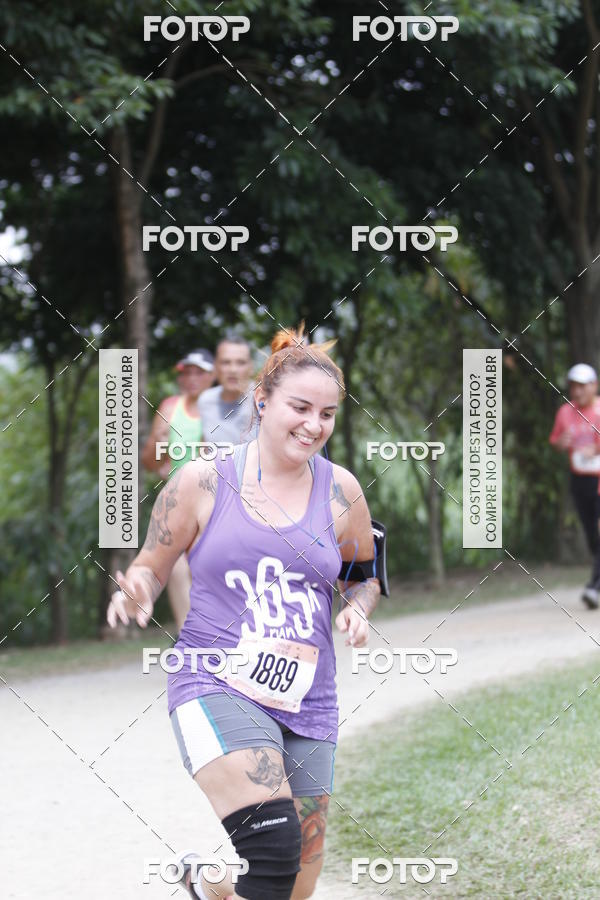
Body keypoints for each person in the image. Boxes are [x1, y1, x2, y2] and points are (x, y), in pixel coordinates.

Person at [107, 325, 382, 900]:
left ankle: (210, 886)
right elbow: (151, 564)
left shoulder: (343, 492)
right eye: (300, 407)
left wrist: (357, 606)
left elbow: (363, 574)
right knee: (275, 846)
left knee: (295, 884)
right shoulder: (202, 481)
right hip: (215, 680)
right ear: (262, 402)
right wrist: (137, 587)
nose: (313, 425)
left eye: (327, 414)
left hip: (309, 698)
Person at [141, 349, 215, 631]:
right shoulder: (170, 407)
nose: (192, 378)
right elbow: (150, 461)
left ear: (212, 376)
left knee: (213, 567)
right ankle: (190, 637)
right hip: (180, 501)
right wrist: (160, 443)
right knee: (178, 568)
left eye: (200, 372)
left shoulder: (224, 407)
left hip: (217, 499)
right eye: (187, 373)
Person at [549, 363, 600, 608]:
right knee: (592, 536)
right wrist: (561, 442)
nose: (577, 391)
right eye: (574, 386)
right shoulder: (565, 413)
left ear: (594, 386)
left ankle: (594, 588)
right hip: (580, 480)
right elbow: (555, 441)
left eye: (582, 386)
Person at [198, 336, 254, 444]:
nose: (233, 370)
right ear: (215, 367)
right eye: (226, 362)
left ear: (251, 367)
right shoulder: (205, 400)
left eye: (240, 363)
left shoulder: (263, 400)